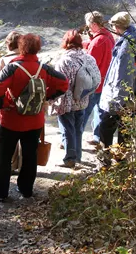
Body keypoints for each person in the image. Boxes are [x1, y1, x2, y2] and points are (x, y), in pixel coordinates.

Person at [0, 34, 68, 201]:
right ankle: (26, 189)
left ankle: (0, 192)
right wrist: (46, 97)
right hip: (35, 120)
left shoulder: (13, 67)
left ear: (21, 47)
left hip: (11, 119)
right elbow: (64, 83)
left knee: (4, 155)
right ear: (38, 48)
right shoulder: (44, 68)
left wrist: (3, 104)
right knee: (30, 154)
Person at [97, 12, 136, 153]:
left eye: (113, 26)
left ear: (117, 27)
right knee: (125, 131)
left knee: (105, 129)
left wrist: (119, 102)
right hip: (133, 95)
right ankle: (123, 163)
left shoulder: (125, 46)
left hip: (121, 98)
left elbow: (123, 75)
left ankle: (105, 162)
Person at [50, 30, 101, 168]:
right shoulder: (89, 58)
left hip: (67, 102)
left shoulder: (64, 61)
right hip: (83, 100)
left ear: (65, 43)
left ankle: (70, 159)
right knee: (78, 129)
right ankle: (77, 156)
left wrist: (52, 101)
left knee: (67, 129)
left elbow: (61, 85)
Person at [0, 30, 22, 172]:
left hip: (9, 105)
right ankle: (21, 165)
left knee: (9, 139)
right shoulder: (30, 60)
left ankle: (11, 165)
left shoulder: (3, 61)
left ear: (8, 45)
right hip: (28, 104)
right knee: (24, 137)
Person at [82, 11, 115, 146]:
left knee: (84, 113)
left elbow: (89, 63)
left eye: (89, 25)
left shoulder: (98, 41)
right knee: (100, 111)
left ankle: (73, 139)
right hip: (106, 81)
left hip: (95, 82)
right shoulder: (109, 37)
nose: (88, 27)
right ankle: (97, 137)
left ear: (94, 24)